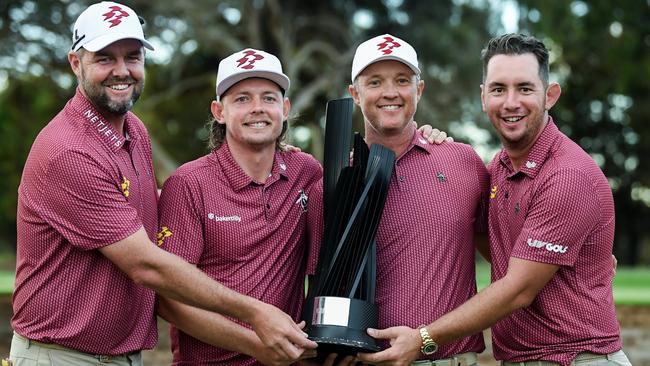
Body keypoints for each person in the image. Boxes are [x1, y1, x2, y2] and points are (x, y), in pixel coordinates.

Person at [11, 3, 315, 365]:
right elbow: (147, 266)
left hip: (117, 355)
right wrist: (256, 314)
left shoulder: (133, 130)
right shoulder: (69, 151)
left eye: (133, 57)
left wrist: (267, 155)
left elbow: (135, 206)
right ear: (76, 63)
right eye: (104, 58)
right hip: (61, 355)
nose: (122, 70)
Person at [359, 33, 631, 366]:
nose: (511, 102)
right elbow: (488, 239)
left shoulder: (567, 176)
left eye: (525, 88)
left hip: (577, 358)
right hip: (524, 358)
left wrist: (424, 338)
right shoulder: (497, 169)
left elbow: (518, 289)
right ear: (484, 96)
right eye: (499, 89)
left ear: (551, 95)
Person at [155, 48, 324, 366]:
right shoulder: (189, 183)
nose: (257, 109)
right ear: (219, 111)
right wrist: (257, 345)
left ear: (285, 108)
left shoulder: (307, 171)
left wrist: (427, 136)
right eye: (242, 99)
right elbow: (167, 299)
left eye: (269, 98)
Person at [345, 34, 491, 366]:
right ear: (355, 94)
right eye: (375, 82)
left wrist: (585, 258)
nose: (390, 92)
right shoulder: (339, 175)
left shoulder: (463, 161)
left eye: (402, 80)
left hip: (450, 360)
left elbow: (504, 250)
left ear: (419, 90)